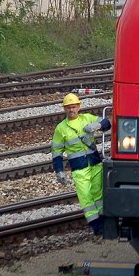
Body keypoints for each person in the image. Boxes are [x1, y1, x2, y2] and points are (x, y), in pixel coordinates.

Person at [51, 93, 111, 236]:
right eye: (68, 108)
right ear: (64, 109)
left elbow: (107, 123)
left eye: (73, 107)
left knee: (98, 194)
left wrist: (97, 125)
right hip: (79, 169)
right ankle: (96, 226)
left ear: (78, 107)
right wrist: (59, 171)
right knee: (86, 197)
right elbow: (56, 152)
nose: (71, 110)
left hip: (95, 164)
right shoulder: (61, 128)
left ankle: (105, 223)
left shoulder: (87, 118)